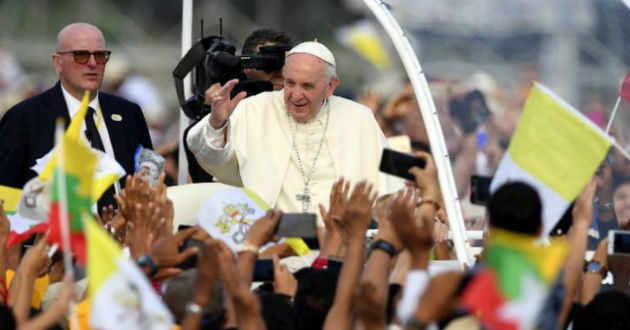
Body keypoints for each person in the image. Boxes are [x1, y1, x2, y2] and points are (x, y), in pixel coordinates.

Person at [186, 40, 403, 217]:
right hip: (271, 242)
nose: (296, 95)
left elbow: (390, 185)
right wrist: (216, 123)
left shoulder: (359, 118)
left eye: (307, 86)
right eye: (290, 83)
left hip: (338, 245)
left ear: (331, 86)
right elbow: (210, 159)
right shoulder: (253, 109)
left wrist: (422, 212)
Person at [0, 22, 152, 208]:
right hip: (55, 234)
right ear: (58, 62)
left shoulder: (128, 113)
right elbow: (6, 195)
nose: (92, 63)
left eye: (100, 55)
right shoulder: (24, 119)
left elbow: (151, 177)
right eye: (81, 55)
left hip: (125, 235)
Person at [184, 28, 293, 183]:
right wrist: (211, 119)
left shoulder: (305, 111)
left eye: (286, 64)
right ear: (247, 65)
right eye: (269, 63)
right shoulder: (233, 115)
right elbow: (205, 179)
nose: (280, 73)